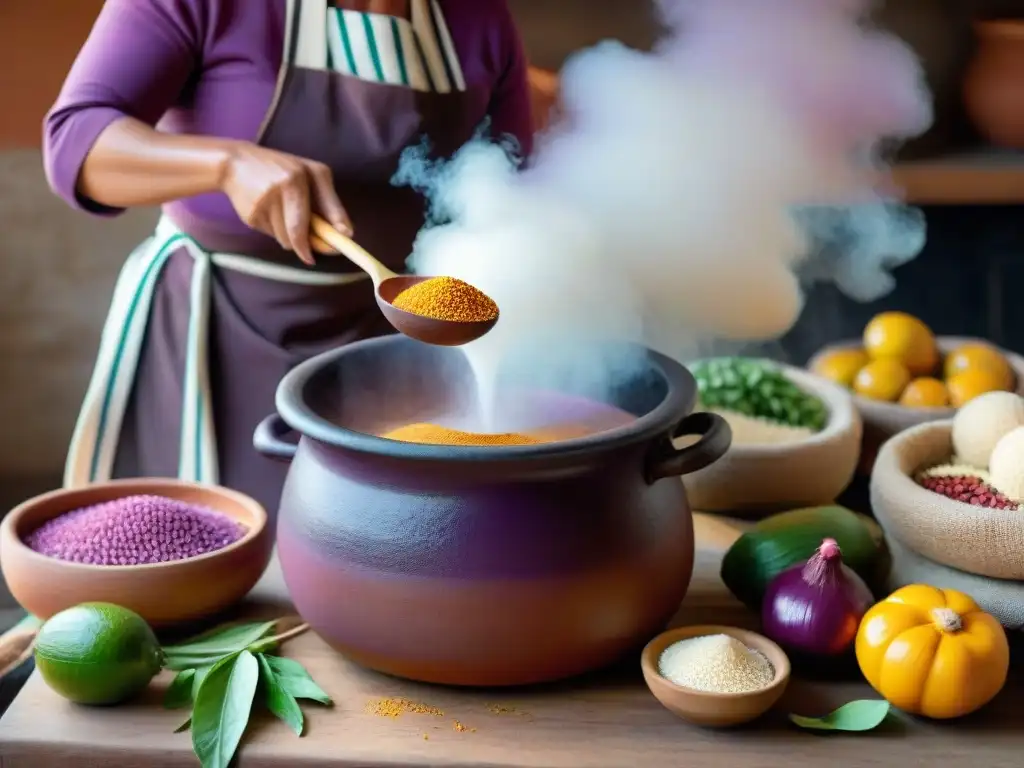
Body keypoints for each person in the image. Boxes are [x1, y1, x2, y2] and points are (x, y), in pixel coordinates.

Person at [44, 0, 533, 512]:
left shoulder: (480, 17)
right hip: (219, 335)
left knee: (384, 551)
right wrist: (226, 164)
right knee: (216, 558)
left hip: (398, 342)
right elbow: (74, 144)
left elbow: (515, 188)